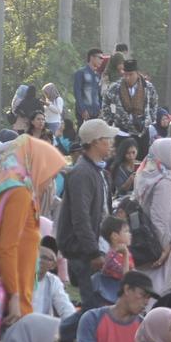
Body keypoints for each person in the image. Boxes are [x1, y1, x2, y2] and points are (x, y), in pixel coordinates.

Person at [0, 135, 68, 320]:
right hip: (10, 301)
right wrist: (14, 295)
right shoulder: (19, 194)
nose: (49, 184)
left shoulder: (16, 190)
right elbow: (7, 247)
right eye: (51, 176)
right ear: (38, 166)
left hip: (10, 294)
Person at [57, 119, 119, 310]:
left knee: (99, 304)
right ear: (95, 142)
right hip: (83, 250)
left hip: (97, 245)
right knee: (92, 306)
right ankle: (65, 334)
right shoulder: (82, 173)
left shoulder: (99, 171)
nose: (111, 144)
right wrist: (92, 252)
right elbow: (80, 218)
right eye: (107, 139)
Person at [132, 138, 171, 298]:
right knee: (158, 289)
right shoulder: (166, 182)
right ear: (163, 155)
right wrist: (164, 248)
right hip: (163, 245)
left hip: (156, 243)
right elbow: (159, 219)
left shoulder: (153, 174)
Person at [103, 60, 159, 156]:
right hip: (122, 130)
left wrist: (151, 119)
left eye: (131, 74)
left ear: (137, 73)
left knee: (141, 160)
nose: (127, 77)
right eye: (125, 74)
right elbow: (105, 103)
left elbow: (154, 103)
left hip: (142, 130)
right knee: (121, 159)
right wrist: (110, 119)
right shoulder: (115, 87)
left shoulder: (148, 87)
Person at [73, 49, 105, 124]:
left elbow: (99, 94)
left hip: (96, 112)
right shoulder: (80, 73)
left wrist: (101, 109)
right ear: (92, 57)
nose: (102, 60)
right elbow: (77, 92)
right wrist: (83, 110)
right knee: (82, 134)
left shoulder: (98, 75)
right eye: (100, 58)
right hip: (84, 113)